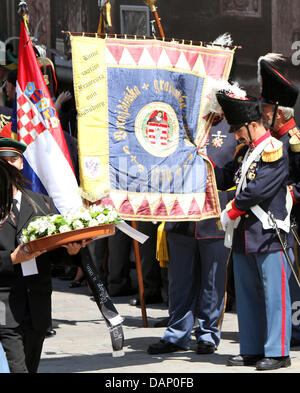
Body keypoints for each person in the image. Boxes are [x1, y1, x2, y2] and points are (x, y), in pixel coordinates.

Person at [213, 90, 293, 370]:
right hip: (245, 236)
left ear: (253, 124)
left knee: (274, 296)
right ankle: (251, 348)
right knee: (247, 295)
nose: (235, 135)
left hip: (269, 233)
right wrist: (203, 160)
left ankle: (278, 352)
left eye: (238, 130)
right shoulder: (244, 153)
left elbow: (261, 188)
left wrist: (233, 208)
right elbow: (227, 179)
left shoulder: (273, 148)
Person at [147, 116, 236, 355]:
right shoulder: (180, 123)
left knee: (212, 283)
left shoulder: (232, 127)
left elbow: (235, 173)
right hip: (181, 217)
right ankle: (177, 333)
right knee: (180, 282)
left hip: (214, 217)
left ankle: (208, 334)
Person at [0, 137, 87, 373]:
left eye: (13, 159)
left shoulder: (41, 203)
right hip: (4, 302)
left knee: (30, 366)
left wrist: (71, 252)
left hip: (37, 300)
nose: (8, 164)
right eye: (2, 160)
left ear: (21, 164)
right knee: (17, 367)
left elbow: (53, 255)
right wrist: (11, 259)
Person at [257, 53, 300, 347]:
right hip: (270, 220)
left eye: (267, 109)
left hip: (291, 219)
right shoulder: (268, 138)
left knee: (290, 282)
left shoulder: (294, 140)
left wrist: (287, 196)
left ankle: (294, 332)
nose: (262, 114)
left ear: (280, 113)